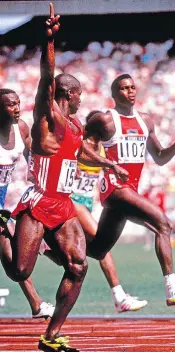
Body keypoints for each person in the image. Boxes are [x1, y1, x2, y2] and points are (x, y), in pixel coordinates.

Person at [1, 5, 127, 352]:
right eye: (80, 93)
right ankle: (2, 232)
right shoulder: (50, 116)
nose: (83, 97)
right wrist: (50, 40)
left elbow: (79, 153)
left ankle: (51, 336)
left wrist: (107, 164)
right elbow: (47, 76)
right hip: (39, 200)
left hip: (64, 205)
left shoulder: (73, 127)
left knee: (78, 264)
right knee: (20, 273)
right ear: (68, 94)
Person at [84, 73, 175, 307]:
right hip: (115, 189)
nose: (130, 91)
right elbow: (80, 150)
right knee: (164, 224)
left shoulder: (147, 121)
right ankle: (172, 287)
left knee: (97, 249)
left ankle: (49, 245)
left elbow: (161, 157)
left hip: (129, 192)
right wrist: (110, 164)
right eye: (124, 88)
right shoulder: (105, 120)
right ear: (114, 94)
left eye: (133, 87)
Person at [70, 111, 147, 312]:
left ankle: (45, 246)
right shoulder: (78, 144)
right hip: (71, 200)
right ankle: (119, 296)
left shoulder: (104, 150)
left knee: (75, 254)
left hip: (87, 201)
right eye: (104, 130)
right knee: (101, 245)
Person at [0, 88, 55, 318]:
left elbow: (34, 154)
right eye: (10, 104)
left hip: (2, 200)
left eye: (18, 103)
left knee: (14, 259)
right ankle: (37, 304)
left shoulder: (20, 128)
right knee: (12, 251)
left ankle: (36, 305)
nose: (17, 108)